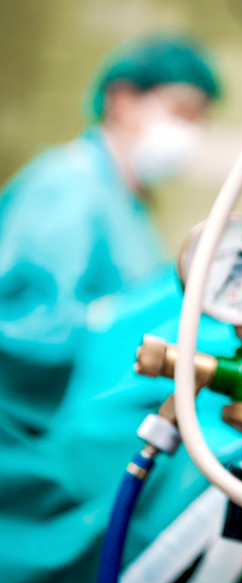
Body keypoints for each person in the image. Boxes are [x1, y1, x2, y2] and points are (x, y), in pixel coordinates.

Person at [0, 34, 221, 435]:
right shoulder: (68, 186)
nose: (191, 131)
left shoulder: (124, 201)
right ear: (123, 101)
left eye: (199, 118)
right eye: (181, 111)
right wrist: (113, 323)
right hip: (26, 431)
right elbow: (20, 323)